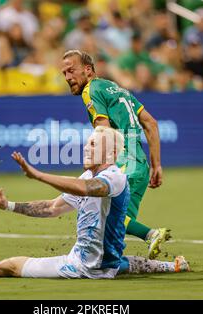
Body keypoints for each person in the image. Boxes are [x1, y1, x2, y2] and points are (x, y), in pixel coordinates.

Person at [0, 126, 190, 279]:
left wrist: (37, 174)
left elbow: (88, 188)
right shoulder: (90, 176)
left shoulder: (114, 177)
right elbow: (53, 207)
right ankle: (174, 267)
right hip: (108, 264)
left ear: (111, 151)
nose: (86, 147)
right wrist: (8, 206)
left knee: (9, 266)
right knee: (127, 264)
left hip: (82, 268)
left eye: (93, 144)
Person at [61, 50, 170, 259]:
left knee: (106, 214)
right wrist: (156, 166)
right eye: (64, 73)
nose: (67, 78)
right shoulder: (118, 90)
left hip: (123, 163)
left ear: (88, 70)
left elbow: (103, 130)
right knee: (117, 224)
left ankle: (151, 235)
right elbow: (151, 124)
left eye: (71, 71)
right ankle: (136, 251)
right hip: (140, 166)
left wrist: (94, 162)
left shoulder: (91, 90)